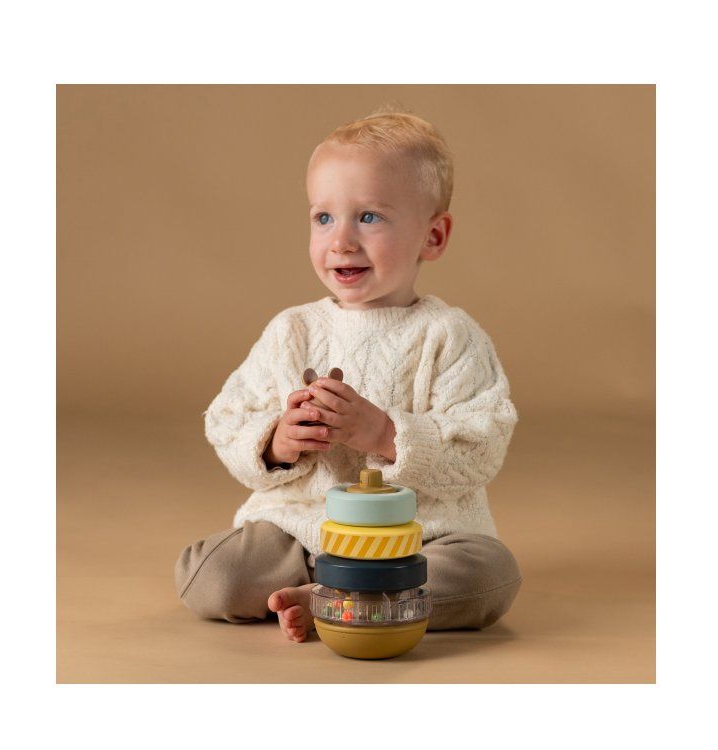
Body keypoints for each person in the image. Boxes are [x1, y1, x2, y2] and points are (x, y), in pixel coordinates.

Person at [174, 107, 522, 643]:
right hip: (301, 533)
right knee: (210, 576)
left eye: (369, 217)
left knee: (489, 576)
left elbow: (483, 442)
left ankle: (332, 598)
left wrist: (385, 434)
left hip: (417, 540)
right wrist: (276, 442)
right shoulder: (292, 331)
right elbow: (227, 417)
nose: (341, 241)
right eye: (323, 218)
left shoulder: (450, 335)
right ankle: (353, 597)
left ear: (433, 236)